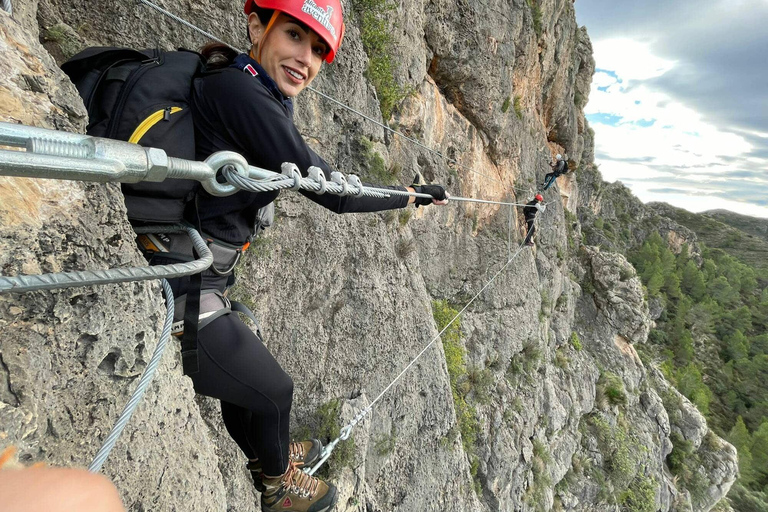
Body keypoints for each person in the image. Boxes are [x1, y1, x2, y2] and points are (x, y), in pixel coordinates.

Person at [149, 1, 448, 511]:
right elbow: (333, 192)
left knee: (252, 374)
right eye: (293, 36)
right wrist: (409, 195)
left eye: (317, 50)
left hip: (201, 271)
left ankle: (266, 457)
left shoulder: (251, 86)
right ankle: (277, 486)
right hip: (179, 280)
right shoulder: (243, 93)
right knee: (275, 392)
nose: (305, 59)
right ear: (256, 26)